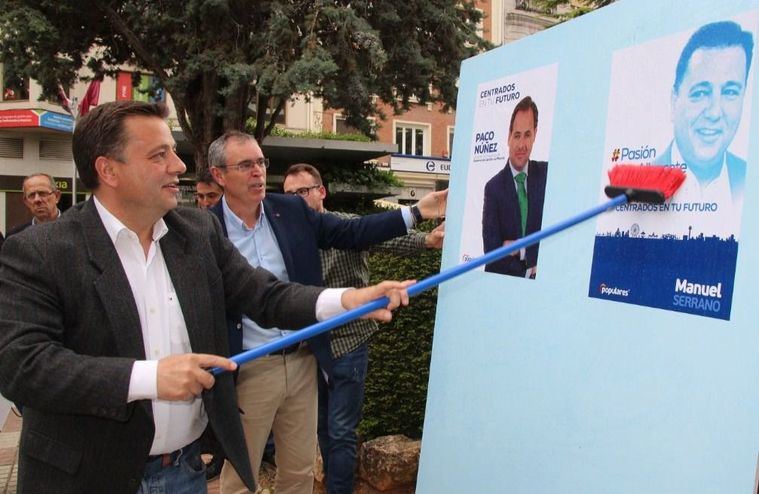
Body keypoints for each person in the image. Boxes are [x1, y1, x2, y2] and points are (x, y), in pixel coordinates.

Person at [0, 101, 412, 494]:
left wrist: (346, 301)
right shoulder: (40, 251)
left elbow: (263, 294)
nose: (178, 167)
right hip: (88, 476)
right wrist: (150, 377)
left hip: (184, 471)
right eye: (160, 155)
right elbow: (22, 364)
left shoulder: (196, 233)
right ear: (108, 170)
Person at [207, 131, 446, 494]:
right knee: (241, 476)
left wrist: (416, 213)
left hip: (304, 359)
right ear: (219, 175)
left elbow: (353, 231)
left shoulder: (287, 210)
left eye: (260, 162)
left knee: (300, 472)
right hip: (250, 368)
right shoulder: (206, 229)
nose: (257, 172)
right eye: (245, 165)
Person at [283, 163, 443, 494]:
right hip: (310, 348)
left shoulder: (346, 226)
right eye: (288, 195)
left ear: (321, 192)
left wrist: (427, 240)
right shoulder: (288, 237)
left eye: (302, 192)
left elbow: (387, 240)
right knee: (323, 429)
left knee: (341, 430)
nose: (295, 201)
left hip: (348, 345)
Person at [657, 20, 753, 204]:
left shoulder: (747, 179)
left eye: (730, 92)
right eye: (700, 93)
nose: (714, 112)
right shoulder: (644, 180)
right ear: (674, 101)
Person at [482, 96, 548, 278]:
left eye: (527, 135)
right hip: (505, 286)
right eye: (517, 135)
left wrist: (517, 249)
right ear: (509, 137)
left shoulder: (547, 175)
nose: (521, 145)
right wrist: (532, 255)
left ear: (535, 134)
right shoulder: (493, 188)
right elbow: (492, 252)